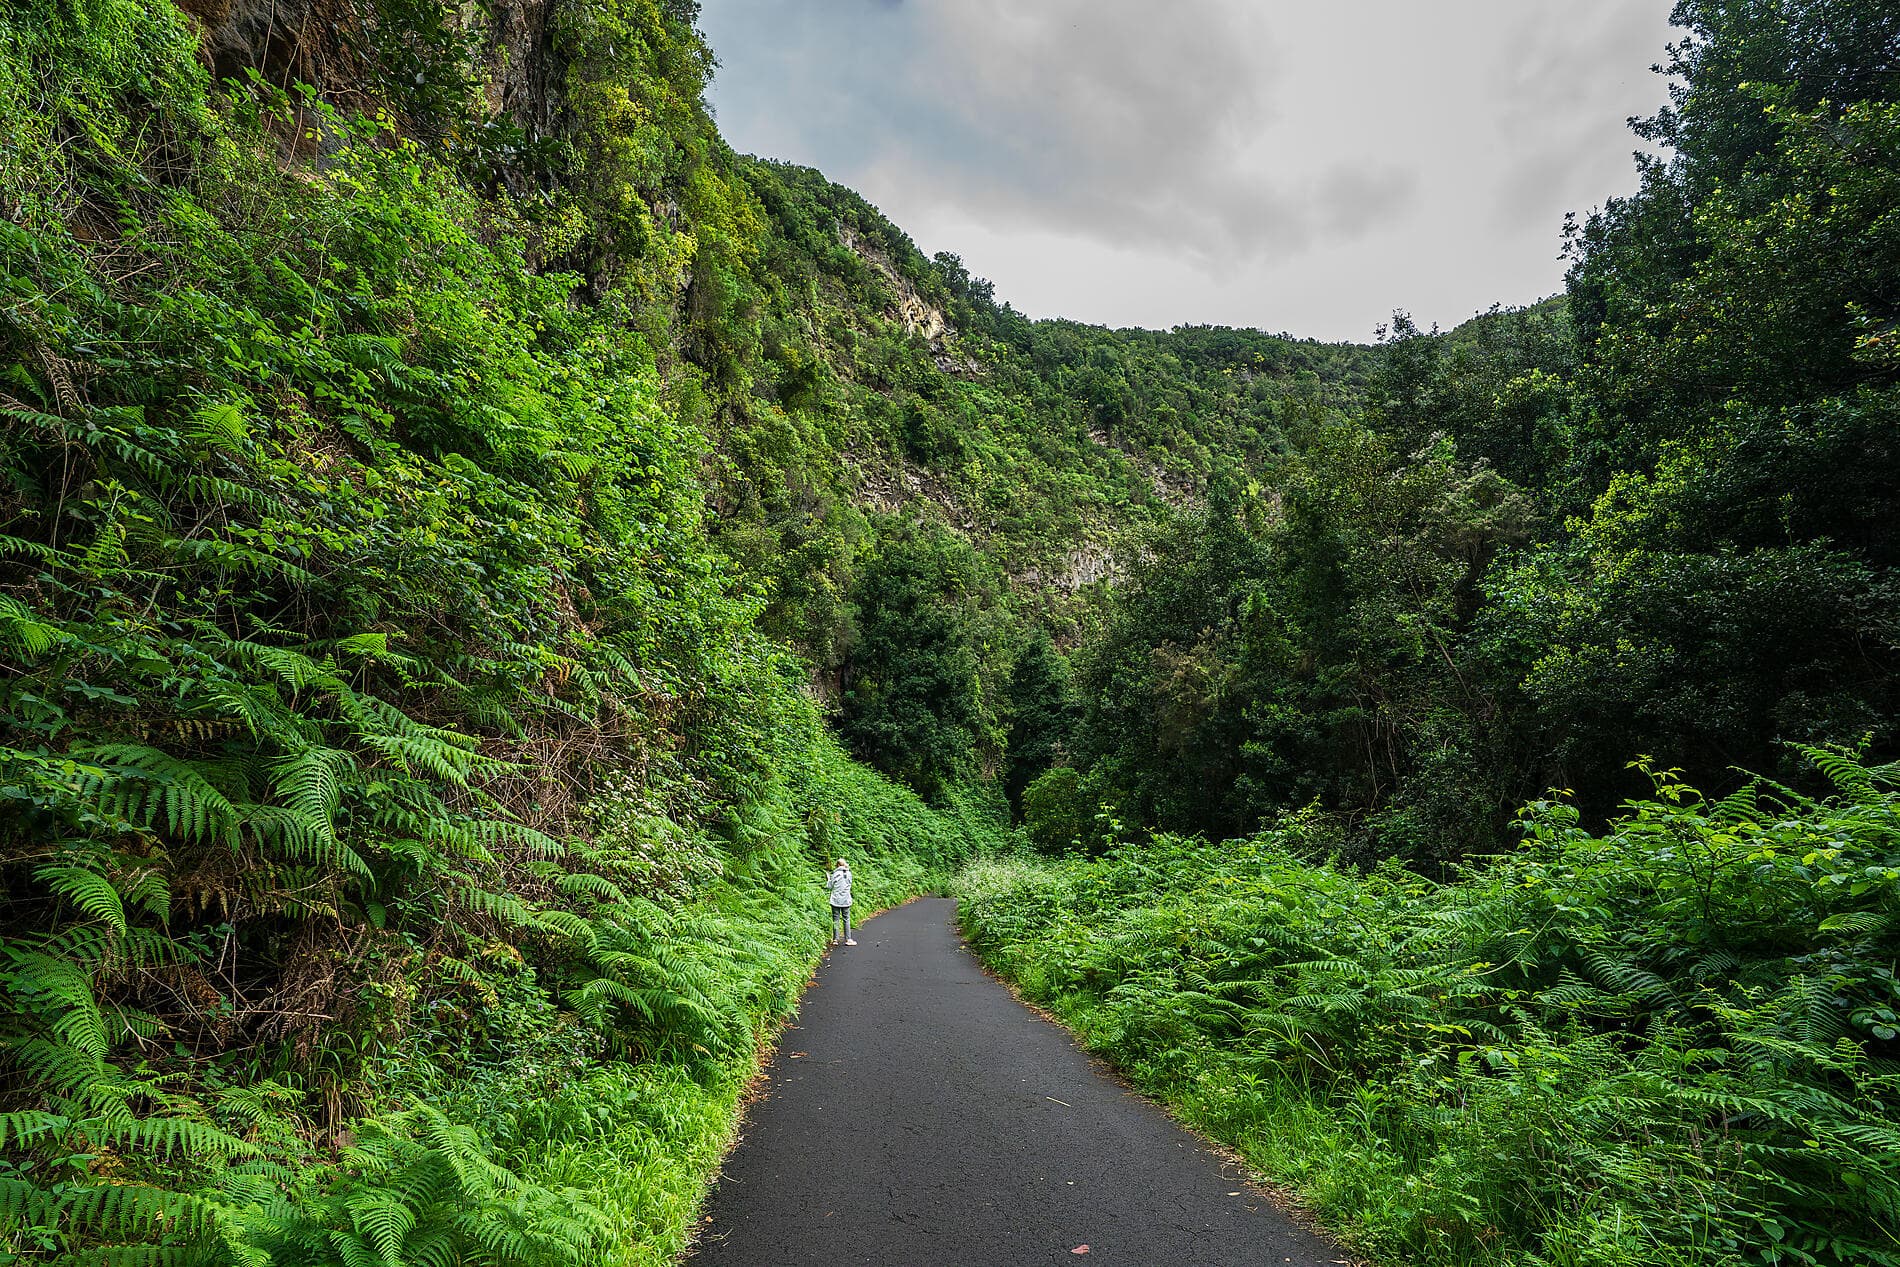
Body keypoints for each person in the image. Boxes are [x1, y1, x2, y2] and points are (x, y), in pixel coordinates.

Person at [823, 857, 856, 946]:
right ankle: (848, 939)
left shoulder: (835, 873)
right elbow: (849, 884)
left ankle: (835, 939)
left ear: (837, 865)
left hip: (835, 900)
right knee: (846, 919)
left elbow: (830, 886)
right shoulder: (849, 874)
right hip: (846, 899)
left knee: (836, 919)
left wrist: (828, 879)